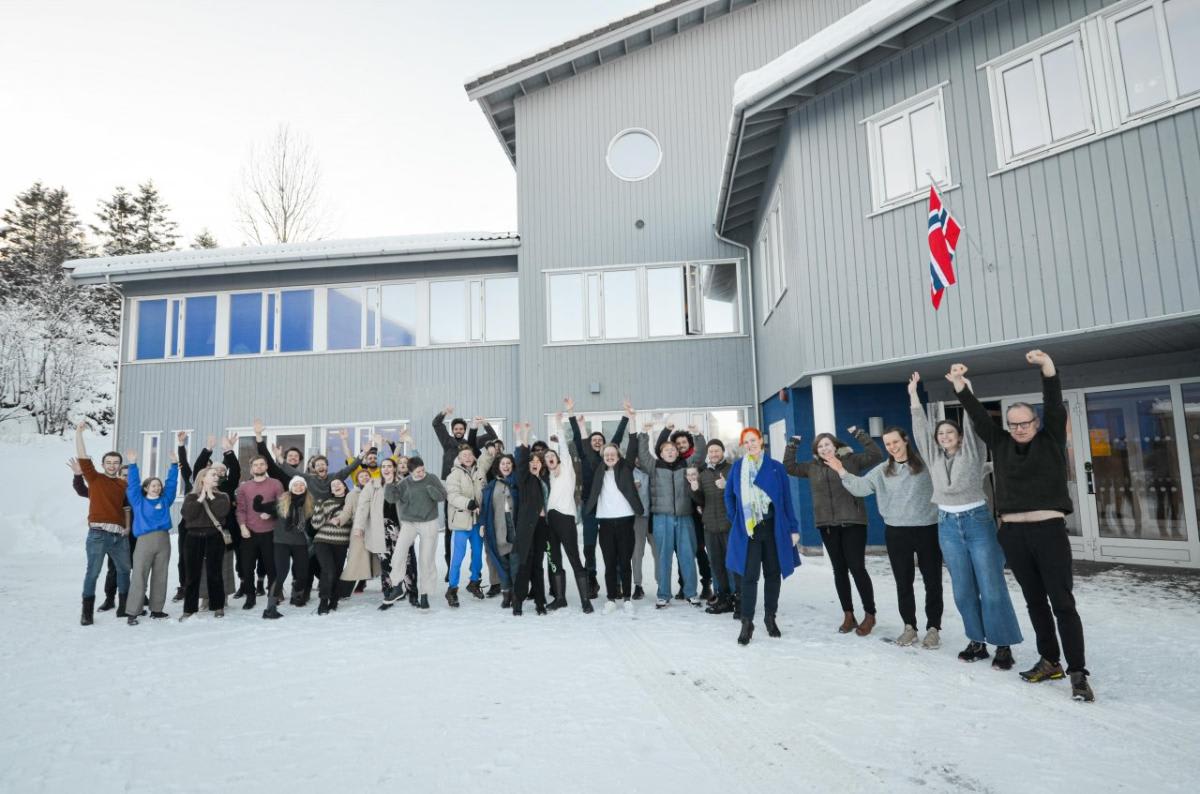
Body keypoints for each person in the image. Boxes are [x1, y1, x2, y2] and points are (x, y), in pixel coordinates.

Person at [953, 351, 1094, 702]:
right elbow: (976, 416)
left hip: (1049, 532)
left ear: (1036, 421)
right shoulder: (999, 443)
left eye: (1024, 423)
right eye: (1013, 424)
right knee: (1034, 602)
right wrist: (960, 386)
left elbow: (1054, 402)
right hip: (1013, 535)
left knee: (1062, 602)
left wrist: (1047, 367)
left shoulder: (1050, 440)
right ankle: (1050, 661)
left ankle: (1078, 673)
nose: (1019, 428)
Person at [911, 370, 1024, 667]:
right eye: (941, 434)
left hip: (977, 523)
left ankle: (1003, 645)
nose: (945, 436)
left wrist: (965, 389)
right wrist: (913, 397)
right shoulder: (933, 457)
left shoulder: (973, 452)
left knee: (991, 586)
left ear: (960, 436)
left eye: (950, 432)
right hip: (947, 526)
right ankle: (976, 641)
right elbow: (921, 431)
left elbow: (974, 421)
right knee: (962, 589)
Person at [829, 426, 942, 647]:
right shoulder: (882, 471)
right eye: (888, 444)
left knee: (933, 581)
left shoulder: (926, 464)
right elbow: (860, 488)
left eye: (895, 442)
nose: (892, 447)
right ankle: (909, 627)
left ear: (905, 440)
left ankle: (933, 628)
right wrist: (841, 470)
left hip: (927, 529)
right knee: (903, 582)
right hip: (896, 532)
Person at [784, 426, 883, 635]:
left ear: (835, 446)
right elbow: (789, 467)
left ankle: (870, 614)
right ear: (816, 450)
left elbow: (876, 454)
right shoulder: (812, 467)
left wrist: (859, 434)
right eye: (820, 446)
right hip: (827, 525)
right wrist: (792, 445)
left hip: (853, 522)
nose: (824, 448)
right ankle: (848, 614)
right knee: (839, 570)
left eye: (827, 444)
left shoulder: (852, 461)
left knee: (857, 568)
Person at [723, 427, 802, 645]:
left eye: (753, 440)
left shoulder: (776, 467)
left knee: (773, 574)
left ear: (761, 441)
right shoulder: (738, 467)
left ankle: (770, 617)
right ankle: (747, 622)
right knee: (749, 577)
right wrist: (737, 518)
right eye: (746, 442)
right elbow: (728, 496)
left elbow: (786, 501)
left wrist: (793, 528)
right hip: (749, 530)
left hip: (773, 528)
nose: (750, 445)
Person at [582, 404, 643, 614]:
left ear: (618, 455)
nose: (609, 456)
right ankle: (610, 599)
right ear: (602, 456)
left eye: (612, 453)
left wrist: (631, 419)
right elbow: (586, 448)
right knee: (609, 563)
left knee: (624, 562)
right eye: (606, 454)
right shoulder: (598, 469)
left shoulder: (626, 468)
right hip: (606, 523)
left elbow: (633, 444)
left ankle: (626, 598)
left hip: (625, 521)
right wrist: (580, 424)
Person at [568, 398, 630, 600]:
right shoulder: (585, 455)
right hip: (590, 507)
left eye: (600, 440)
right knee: (589, 547)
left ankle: (617, 583)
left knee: (614, 548)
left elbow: (618, 436)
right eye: (593, 439)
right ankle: (591, 580)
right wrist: (571, 414)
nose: (596, 441)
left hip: (610, 508)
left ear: (605, 445)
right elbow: (577, 436)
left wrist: (625, 416)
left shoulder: (609, 458)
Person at [638, 420, 704, 609]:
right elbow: (643, 454)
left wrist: (697, 434)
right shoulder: (654, 466)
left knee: (687, 555)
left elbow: (700, 454)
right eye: (667, 450)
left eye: (673, 449)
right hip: (662, 518)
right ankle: (663, 594)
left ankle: (691, 593)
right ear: (661, 453)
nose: (670, 452)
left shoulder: (686, 464)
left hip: (684, 517)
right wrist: (644, 433)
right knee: (663, 557)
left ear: (677, 452)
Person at [74, 422, 131, 625]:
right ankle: (87, 613)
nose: (112, 465)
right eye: (109, 462)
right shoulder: (94, 478)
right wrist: (78, 433)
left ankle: (123, 608)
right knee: (93, 573)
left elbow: (126, 508)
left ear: (119, 465)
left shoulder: (123, 484)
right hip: (98, 534)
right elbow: (82, 456)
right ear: (103, 464)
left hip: (119, 536)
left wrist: (127, 527)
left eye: (116, 463)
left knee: (124, 571)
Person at [543, 412, 592, 613]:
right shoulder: (548, 478)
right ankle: (560, 598)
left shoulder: (566, 470)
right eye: (546, 458)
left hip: (565, 519)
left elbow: (563, 446)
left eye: (552, 456)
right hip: (550, 522)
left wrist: (558, 423)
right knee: (554, 559)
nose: (549, 458)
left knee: (574, 558)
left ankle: (585, 600)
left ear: (558, 459)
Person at [385, 455, 447, 610]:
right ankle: (397, 586)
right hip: (409, 523)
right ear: (410, 472)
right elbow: (391, 498)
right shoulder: (404, 483)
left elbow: (442, 496)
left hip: (429, 522)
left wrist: (431, 490)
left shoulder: (431, 478)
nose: (421, 473)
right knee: (398, 553)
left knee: (426, 559)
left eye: (422, 470)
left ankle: (425, 594)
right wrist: (389, 483)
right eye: (418, 471)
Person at [124, 450, 179, 624]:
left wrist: (174, 465)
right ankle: (133, 612)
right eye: (153, 485)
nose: (157, 488)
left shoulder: (165, 500)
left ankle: (157, 609)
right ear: (146, 488)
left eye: (158, 485)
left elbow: (172, 485)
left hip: (163, 540)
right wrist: (133, 464)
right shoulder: (138, 501)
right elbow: (133, 485)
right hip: (144, 541)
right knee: (139, 575)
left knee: (161, 575)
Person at [658, 424, 712, 600]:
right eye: (678, 443)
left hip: (696, 512)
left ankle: (706, 584)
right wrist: (666, 431)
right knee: (681, 550)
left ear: (690, 443)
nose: (681, 445)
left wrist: (698, 433)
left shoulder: (697, 462)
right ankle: (684, 585)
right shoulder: (673, 462)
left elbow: (701, 456)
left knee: (699, 549)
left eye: (684, 442)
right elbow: (659, 448)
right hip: (681, 512)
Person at [444, 440, 496, 607]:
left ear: (473, 457)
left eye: (469, 455)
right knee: (458, 557)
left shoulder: (479, 469)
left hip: (477, 522)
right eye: (463, 455)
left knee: (478, 555)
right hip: (461, 522)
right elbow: (452, 496)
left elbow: (487, 458)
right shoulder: (454, 475)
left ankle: (474, 582)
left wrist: (490, 447)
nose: (467, 457)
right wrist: (469, 503)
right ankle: (452, 588)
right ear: (459, 459)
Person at [192, 435, 242, 605]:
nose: (219, 472)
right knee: (205, 564)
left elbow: (236, 469)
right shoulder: (201, 486)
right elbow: (198, 468)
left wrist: (229, 451)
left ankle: (223, 596)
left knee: (225, 563)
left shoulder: (228, 485)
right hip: (204, 530)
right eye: (215, 470)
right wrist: (208, 450)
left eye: (222, 470)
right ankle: (206, 597)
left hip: (224, 530)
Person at [179, 466, 233, 620]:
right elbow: (188, 515)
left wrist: (211, 495)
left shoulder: (222, 496)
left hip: (214, 536)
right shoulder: (191, 497)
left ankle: (218, 606)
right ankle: (189, 608)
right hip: (193, 537)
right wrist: (201, 497)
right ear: (203, 478)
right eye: (213, 475)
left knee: (214, 572)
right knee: (192, 574)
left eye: (217, 475)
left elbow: (222, 512)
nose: (216, 477)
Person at [690, 439, 736, 615]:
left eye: (717, 450)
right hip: (710, 525)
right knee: (716, 563)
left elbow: (740, 495)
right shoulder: (704, 475)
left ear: (723, 452)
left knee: (732, 562)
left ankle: (737, 597)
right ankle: (722, 597)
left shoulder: (732, 469)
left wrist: (727, 486)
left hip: (729, 524)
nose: (714, 454)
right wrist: (694, 490)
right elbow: (701, 501)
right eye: (711, 451)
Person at [260, 476, 313, 619]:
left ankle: (296, 595)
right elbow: (264, 507)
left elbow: (312, 523)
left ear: (305, 487)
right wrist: (263, 509)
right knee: (281, 574)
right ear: (290, 488)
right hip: (281, 542)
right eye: (295, 485)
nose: (298, 487)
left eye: (301, 485)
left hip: (300, 543)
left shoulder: (309, 503)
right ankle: (270, 607)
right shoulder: (281, 502)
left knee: (303, 574)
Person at [235, 455, 283, 611]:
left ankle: (273, 596)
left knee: (271, 566)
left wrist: (271, 513)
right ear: (251, 468)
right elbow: (241, 509)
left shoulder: (275, 484)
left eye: (262, 464)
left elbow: (282, 505)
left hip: (270, 532)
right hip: (249, 532)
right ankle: (250, 596)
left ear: (266, 466)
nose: (259, 467)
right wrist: (243, 527)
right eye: (255, 465)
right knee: (247, 567)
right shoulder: (244, 487)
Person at [511, 423, 550, 616]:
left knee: (538, 564)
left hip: (542, 526)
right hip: (527, 527)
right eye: (532, 461)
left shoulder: (544, 481)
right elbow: (521, 459)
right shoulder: (524, 480)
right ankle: (517, 601)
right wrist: (523, 435)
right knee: (524, 563)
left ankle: (540, 602)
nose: (535, 463)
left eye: (538, 461)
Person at [356, 457, 402, 608]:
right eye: (383, 466)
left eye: (389, 466)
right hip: (379, 530)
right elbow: (362, 507)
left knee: (400, 560)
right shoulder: (372, 484)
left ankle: (401, 589)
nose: (386, 469)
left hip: (399, 529)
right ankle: (388, 592)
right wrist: (359, 526)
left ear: (394, 469)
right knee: (385, 561)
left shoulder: (401, 484)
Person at [339, 469, 383, 602]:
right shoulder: (352, 494)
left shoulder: (378, 490)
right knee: (355, 559)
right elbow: (347, 511)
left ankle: (389, 587)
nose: (364, 478)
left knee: (380, 559)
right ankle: (344, 591)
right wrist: (339, 520)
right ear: (357, 480)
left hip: (376, 529)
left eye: (366, 476)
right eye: (361, 476)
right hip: (359, 530)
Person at [481, 452, 518, 608]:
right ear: (498, 466)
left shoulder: (518, 482)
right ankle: (506, 593)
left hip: (515, 525)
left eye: (508, 463)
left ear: (513, 465)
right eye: (503, 463)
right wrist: (482, 524)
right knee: (502, 562)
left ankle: (516, 594)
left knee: (515, 561)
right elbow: (485, 507)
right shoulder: (492, 485)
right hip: (498, 526)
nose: (506, 466)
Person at [312, 478, 351, 614]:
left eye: (339, 483)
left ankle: (334, 599)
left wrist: (341, 520)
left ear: (345, 486)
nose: (336, 486)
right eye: (333, 485)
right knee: (328, 570)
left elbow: (355, 519)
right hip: (323, 540)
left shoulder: (351, 502)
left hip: (341, 542)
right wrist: (318, 506)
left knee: (337, 572)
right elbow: (316, 524)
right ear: (331, 490)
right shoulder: (326, 503)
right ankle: (323, 601)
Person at [630, 464, 657, 599]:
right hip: (638, 517)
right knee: (637, 552)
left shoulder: (654, 470)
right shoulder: (629, 471)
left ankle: (662, 584)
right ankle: (638, 585)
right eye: (636, 456)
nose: (638, 459)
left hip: (654, 516)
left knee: (658, 552)